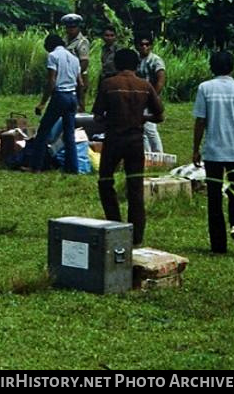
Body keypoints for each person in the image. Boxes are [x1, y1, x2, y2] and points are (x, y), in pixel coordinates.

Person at [93, 48, 163, 245]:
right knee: (135, 188)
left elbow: (98, 115)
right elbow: (160, 115)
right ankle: (137, 236)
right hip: (135, 142)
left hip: (114, 140)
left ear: (116, 64)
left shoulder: (109, 84)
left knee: (105, 181)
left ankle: (114, 224)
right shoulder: (145, 86)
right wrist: (142, 117)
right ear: (136, 65)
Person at [191, 51, 234, 254]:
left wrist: (196, 149)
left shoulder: (205, 88)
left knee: (214, 198)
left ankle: (218, 245)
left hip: (213, 151)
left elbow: (200, 120)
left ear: (212, 67)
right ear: (232, 67)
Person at [28, 33, 82, 172]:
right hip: (72, 96)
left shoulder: (53, 56)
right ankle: (73, 168)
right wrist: (80, 102)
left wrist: (42, 103)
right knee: (69, 134)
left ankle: (36, 166)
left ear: (50, 45)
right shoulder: (75, 58)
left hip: (60, 96)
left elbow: (51, 81)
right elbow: (80, 83)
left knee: (44, 131)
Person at [136, 35, 167, 153]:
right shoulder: (137, 60)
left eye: (147, 44)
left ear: (151, 46)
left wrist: (152, 98)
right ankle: (147, 154)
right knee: (141, 128)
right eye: (142, 44)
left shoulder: (155, 60)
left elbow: (160, 80)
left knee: (150, 128)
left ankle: (159, 154)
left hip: (150, 97)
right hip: (139, 98)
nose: (144, 47)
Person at [62, 14, 91, 110]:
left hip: (79, 76)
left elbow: (84, 62)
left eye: (73, 27)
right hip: (66, 74)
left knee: (79, 102)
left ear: (78, 27)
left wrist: (75, 74)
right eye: (68, 27)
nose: (71, 29)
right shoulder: (64, 40)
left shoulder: (82, 42)